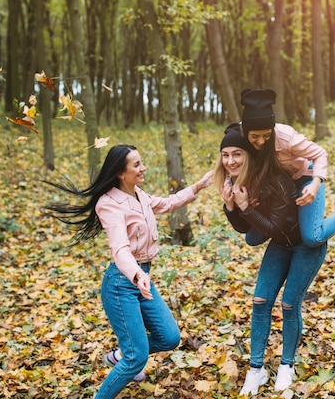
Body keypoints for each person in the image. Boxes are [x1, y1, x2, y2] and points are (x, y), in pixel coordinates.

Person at [44, 144, 213, 399]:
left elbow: (168, 203)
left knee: (169, 338)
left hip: (143, 279)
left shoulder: (139, 195)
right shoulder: (109, 204)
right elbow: (120, 249)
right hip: (122, 284)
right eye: (137, 165)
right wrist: (136, 275)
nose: (143, 168)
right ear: (121, 173)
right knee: (137, 358)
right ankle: (125, 362)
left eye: (141, 162)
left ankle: (120, 355)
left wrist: (199, 185)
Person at [213, 127, 328, 395]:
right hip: (280, 245)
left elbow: (274, 229)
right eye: (225, 155)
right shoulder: (241, 181)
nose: (230, 161)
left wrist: (245, 208)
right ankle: (256, 370)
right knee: (260, 301)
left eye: (237, 154)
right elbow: (247, 231)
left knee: (289, 304)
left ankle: (287, 366)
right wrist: (231, 206)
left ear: (249, 155)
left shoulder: (275, 180)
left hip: (304, 244)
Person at [235, 88, 335, 248]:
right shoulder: (238, 136)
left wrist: (315, 185)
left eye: (266, 136)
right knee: (252, 238)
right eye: (254, 136)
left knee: (312, 237)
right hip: (278, 186)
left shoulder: (286, 138)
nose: (261, 141)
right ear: (246, 132)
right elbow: (227, 162)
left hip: (304, 180)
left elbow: (320, 154)